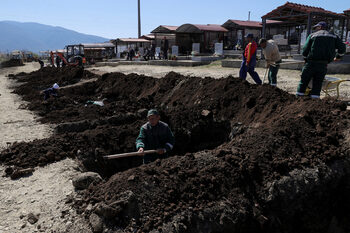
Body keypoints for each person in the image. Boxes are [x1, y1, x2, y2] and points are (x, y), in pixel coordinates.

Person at [296, 21, 346, 98]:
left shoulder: (312, 35)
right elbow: (342, 49)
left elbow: (305, 50)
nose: (316, 29)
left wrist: (305, 58)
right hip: (323, 64)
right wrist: (338, 57)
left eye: (316, 27)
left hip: (310, 63)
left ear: (320, 27)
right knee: (318, 83)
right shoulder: (334, 36)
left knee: (304, 81)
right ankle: (315, 101)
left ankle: (298, 99)